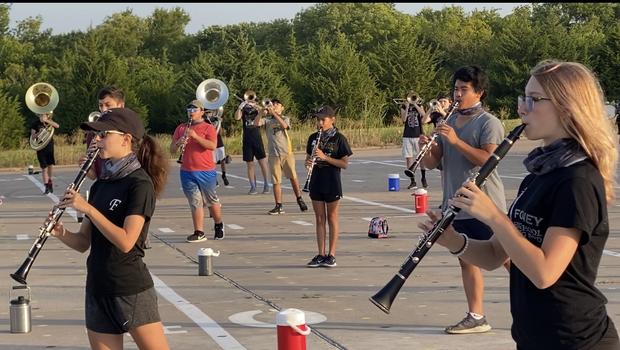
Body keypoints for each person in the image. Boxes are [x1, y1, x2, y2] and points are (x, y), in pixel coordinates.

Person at [424, 60, 620, 349]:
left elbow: (545, 273)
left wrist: (493, 215)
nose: (521, 108)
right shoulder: (540, 174)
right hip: (535, 336)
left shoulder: (577, 180)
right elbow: (493, 255)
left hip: (577, 339)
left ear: (567, 107)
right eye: (523, 97)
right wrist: (452, 240)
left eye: (534, 99)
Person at [50, 107, 170, 349]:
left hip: (130, 287)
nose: (97, 140)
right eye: (96, 135)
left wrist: (89, 210)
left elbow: (126, 241)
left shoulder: (139, 184)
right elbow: (84, 243)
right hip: (98, 286)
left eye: (103, 135)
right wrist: (59, 232)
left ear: (125, 139)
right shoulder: (100, 186)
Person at [419, 65, 507, 334]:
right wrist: (430, 148)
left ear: (479, 92)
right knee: (465, 259)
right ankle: (476, 316)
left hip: (484, 204)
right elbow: (438, 163)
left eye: (464, 90)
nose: (457, 94)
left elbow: (489, 160)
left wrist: (455, 142)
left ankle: (541, 305)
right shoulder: (449, 122)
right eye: (455, 89)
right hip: (456, 204)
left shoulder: (488, 122)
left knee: (508, 259)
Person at [171, 100, 225, 242]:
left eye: (194, 110)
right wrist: (178, 143)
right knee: (195, 202)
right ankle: (199, 231)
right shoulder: (181, 128)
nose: (191, 112)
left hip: (205, 170)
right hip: (187, 170)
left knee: (211, 200)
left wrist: (195, 137)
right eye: (189, 109)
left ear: (202, 111)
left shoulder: (208, 128)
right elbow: (172, 150)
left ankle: (218, 224)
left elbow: (212, 146)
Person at [305, 105, 352, 268]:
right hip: (316, 180)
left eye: (323, 119)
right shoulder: (313, 137)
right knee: (319, 218)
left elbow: (344, 164)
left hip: (332, 181)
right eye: (318, 119)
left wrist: (325, 158)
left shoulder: (339, 138)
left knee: (332, 217)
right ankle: (321, 253)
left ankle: (331, 254)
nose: (320, 122)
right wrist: (308, 162)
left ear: (332, 120)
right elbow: (307, 159)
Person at [253, 98, 308, 214]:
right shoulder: (267, 120)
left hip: (286, 153)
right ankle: (278, 205)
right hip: (273, 154)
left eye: (277, 104)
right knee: (276, 181)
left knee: (293, 176)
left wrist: (274, 113)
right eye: (273, 104)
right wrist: (260, 112)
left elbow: (284, 126)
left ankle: (299, 198)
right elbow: (256, 123)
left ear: (282, 107)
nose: (274, 106)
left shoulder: (285, 118)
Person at [85, 86, 126, 180]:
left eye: (108, 105)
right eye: (100, 105)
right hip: (103, 186)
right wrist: (86, 165)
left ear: (121, 105)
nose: (103, 110)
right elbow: (93, 176)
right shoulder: (93, 134)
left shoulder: (129, 131)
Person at [234, 93, 271, 194]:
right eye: (249, 100)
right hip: (247, 138)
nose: (250, 101)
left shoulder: (257, 109)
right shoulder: (243, 109)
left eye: (252, 100)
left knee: (262, 162)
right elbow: (237, 118)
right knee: (249, 164)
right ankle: (253, 186)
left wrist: (255, 105)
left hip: (257, 138)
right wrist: (240, 107)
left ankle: (266, 184)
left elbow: (265, 113)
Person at [401, 93, 430, 189]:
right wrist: (408, 106)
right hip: (407, 135)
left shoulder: (419, 105)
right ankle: (412, 181)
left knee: (420, 158)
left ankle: (423, 178)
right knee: (409, 158)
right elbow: (404, 119)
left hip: (418, 135)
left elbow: (423, 115)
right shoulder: (404, 106)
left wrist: (415, 104)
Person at [30, 112, 60, 194]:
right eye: (41, 115)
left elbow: (57, 126)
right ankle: (46, 186)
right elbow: (33, 137)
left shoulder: (49, 121)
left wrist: (47, 121)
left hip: (49, 146)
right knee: (44, 167)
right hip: (40, 147)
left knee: (50, 165)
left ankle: (50, 181)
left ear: (47, 115)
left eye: (45, 115)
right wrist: (39, 132)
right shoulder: (35, 123)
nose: (43, 116)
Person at [204, 108, 230, 186]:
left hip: (219, 141)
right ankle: (214, 178)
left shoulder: (216, 120)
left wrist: (219, 122)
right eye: (207, 112)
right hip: (210, 142)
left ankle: (224, 175)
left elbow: (220, 132)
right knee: (213, 162)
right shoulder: (204, 121)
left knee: (222, 160)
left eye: (210, 112)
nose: (208, 114)